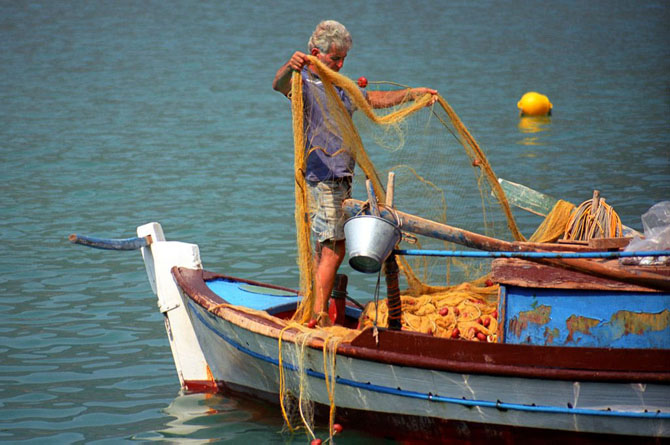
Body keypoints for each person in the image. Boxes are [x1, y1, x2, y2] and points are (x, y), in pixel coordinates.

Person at [273, 20, 437, 323]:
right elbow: (279, 85)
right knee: (334, 248)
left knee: (328, 246)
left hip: (341, 177)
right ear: (315, 53)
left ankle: (313, 307)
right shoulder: (305, 82)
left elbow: (372, 100)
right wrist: (290, 66)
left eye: (344, 59)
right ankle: (319, 316)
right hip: (322, 177)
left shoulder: (340, 85)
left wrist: (413, 94)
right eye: (335, 58)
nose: (340, 63)